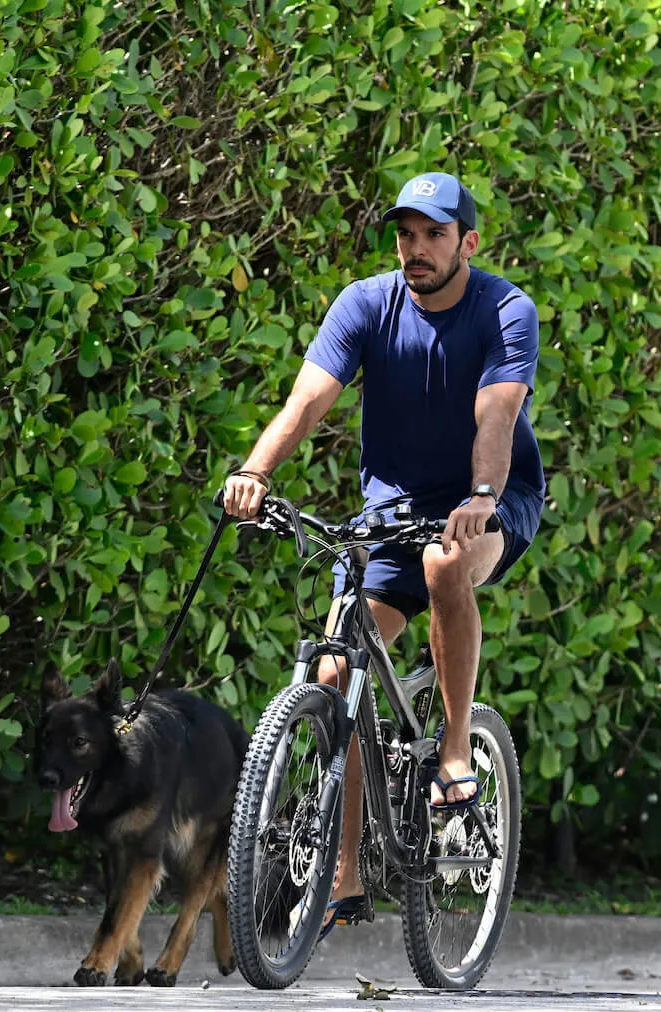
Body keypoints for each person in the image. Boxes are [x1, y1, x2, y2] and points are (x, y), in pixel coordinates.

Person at [222, 171, 544, 935]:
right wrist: (254, 472)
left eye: (434, 234)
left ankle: (459, 750)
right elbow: (306, 403)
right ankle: (342, 872)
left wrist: (479, 496)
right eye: (406, 233)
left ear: (468, 241)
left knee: (442, 566)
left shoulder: (505, 309)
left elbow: (496, 416)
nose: (417, 248)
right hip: (390, 513)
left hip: (490, 501)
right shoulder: (365, 304)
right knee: (337, 673)